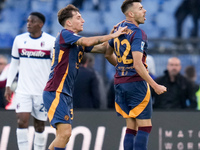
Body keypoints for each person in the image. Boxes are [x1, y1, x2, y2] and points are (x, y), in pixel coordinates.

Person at [42, 4, 127, 150]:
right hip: (56, 91)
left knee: (63, 136)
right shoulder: (65, 34)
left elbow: (103, 48)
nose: (83, 20)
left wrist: (113, 38)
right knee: (65, 133)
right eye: (78, 17)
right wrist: (112, 35)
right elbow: (88, 41)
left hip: (65, 93)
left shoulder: (74, 41)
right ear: (69, 22)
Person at [105, 0, 167, 149]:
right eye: (140, 8)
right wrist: (155, 85)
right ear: (131, 14)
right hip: (136, 84)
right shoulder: (138, 33)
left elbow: (107, 54)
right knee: (145, 127)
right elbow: (138, 64)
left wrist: (122, 68)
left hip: (120, 83)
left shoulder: (118, 29)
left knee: (131, 126)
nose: (144, 11)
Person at [4, 12, 55, 150]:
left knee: (39, 125)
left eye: (32, 21)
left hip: (41, 91)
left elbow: (55, 67)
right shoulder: (19, 40)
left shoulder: (51, 41)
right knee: (22, 121)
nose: (28, 23)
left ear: (40, 24)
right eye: (28, 21)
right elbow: (14, 63)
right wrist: (9, 85)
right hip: (23, 90)